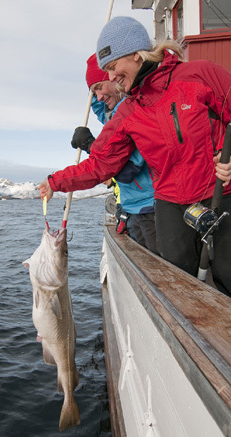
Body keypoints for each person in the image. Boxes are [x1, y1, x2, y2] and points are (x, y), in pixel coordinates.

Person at [38, 16, 231, 296]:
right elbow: (101, 163)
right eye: (107, 71)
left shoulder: (201, 75)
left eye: (114, 67)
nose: (111, 78)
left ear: (137, 54)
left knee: (227, 275)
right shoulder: (129, 112)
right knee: (177, 285)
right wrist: (55, 182)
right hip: (170, 205)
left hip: (220, 194)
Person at [72, 53, 157, 252]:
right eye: (94, 93)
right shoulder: (114, 113)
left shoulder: (132, 112)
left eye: (99, 88)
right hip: (133, 207)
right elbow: (101, 107)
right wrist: (93, 90)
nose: (99, 98)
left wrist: (90, 145)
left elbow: (125, 171)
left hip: (150, 208)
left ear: (114, 78)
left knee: (158, 271)